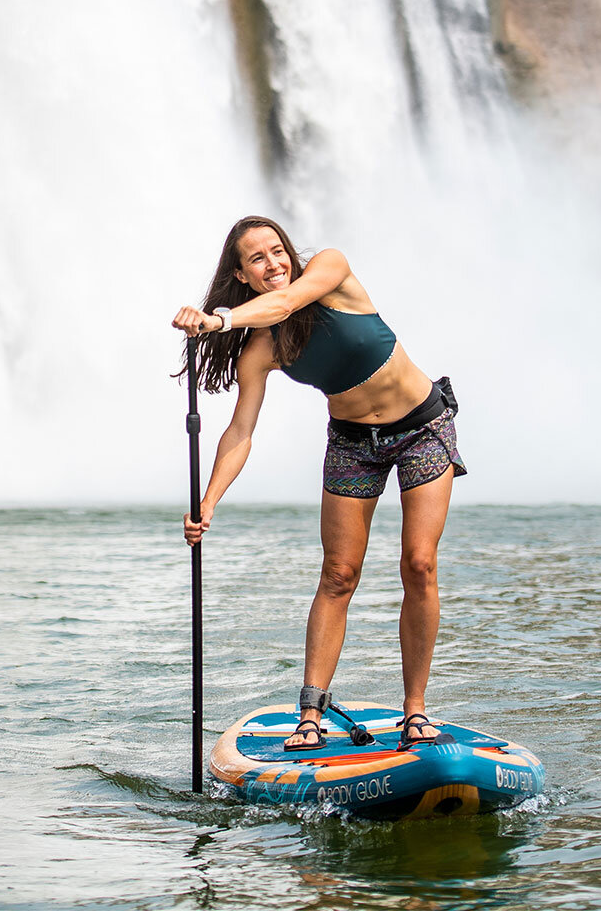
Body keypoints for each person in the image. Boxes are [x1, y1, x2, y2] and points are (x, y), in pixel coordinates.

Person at [172, 215, 466, 750]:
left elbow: (285, 303)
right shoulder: (262, 349)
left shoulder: (331, 270)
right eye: (257, 259)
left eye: (277, 251)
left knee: (419, 563)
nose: (273, 264)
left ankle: (416, 710)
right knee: (338, 573)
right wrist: (207, 502)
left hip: (422, 425)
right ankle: (310, 711)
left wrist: (217, 320)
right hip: (353, 442)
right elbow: (241, 430)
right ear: (240, 273)